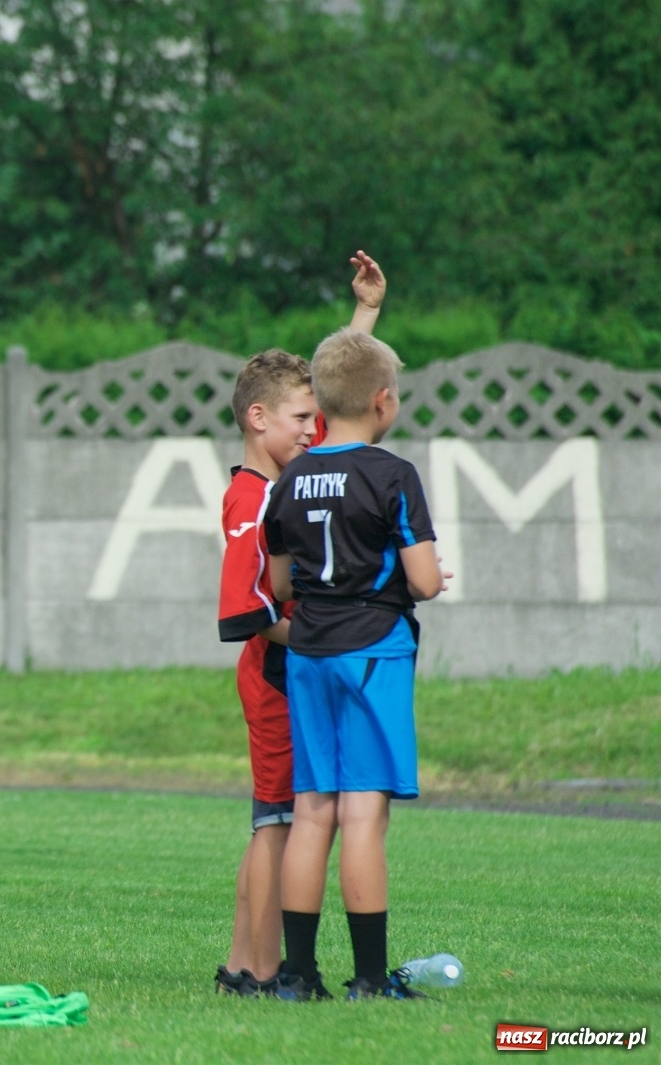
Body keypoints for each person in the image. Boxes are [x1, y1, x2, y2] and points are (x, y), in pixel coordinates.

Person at [215, 253, 386, 996]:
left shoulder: (282, 480)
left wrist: (364, 318)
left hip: (294, 671)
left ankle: (248, 962)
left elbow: (340, 402)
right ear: (259, 420)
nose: (313, 432)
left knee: (278, 820)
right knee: (274, 823)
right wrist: (326, 637)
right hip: (277, 674)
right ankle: (254, 965)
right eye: (297, 421)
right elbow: (246, 613)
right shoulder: (252, 500)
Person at [261, 327, 450, 1001]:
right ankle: (370, 977)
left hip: (309, 654)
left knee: (312, 811)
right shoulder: (394, 474)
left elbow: (281, 585)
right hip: (374, 651)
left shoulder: (288, 482)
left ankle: (297, 974)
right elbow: (424, 581)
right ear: (382, 401)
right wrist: (416, 576)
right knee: (364, 813)